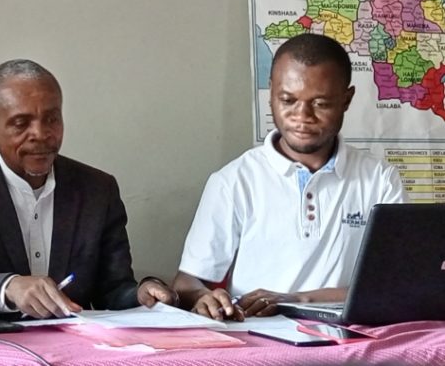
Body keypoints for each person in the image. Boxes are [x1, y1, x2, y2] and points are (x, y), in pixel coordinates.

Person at [0, 59, 177, 319]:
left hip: (77, 342)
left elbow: (114, 289)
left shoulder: (97, 190)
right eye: (21, 123)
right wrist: (8, 288)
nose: (40, 133)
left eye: (51, 119)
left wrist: (142, 294)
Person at [173, 34, 406, 321]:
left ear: (346, 100)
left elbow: (395, 285)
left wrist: (295, 300)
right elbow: (187, 282)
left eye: (320, 103)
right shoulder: (234, 181)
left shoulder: (380, 179)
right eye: (288, 100)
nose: (302, 116)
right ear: (270, 92)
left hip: (350, 337)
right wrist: (203, 297)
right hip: (258, 335)